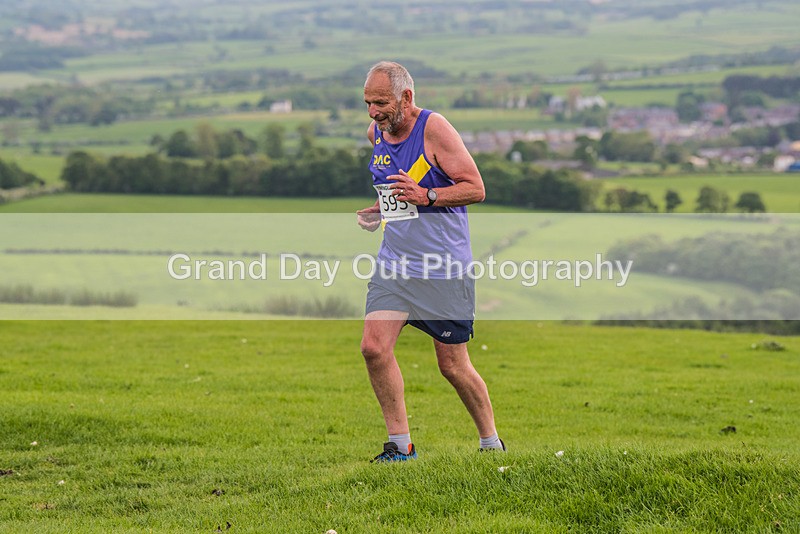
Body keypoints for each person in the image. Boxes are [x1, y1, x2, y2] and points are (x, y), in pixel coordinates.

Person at [356, 61, 504, 462]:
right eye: (368, 103)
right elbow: (396, 194)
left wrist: (427, 197)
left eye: (381, 102)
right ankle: (400, 447)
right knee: (373, 348)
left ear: (406, 97)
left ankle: (491, 442)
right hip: (396, 265)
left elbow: (475, 188)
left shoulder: (435, 129)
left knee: (452, 365)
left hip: (443, 268)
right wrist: (379, 211)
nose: (373, 112)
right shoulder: (377, 134)